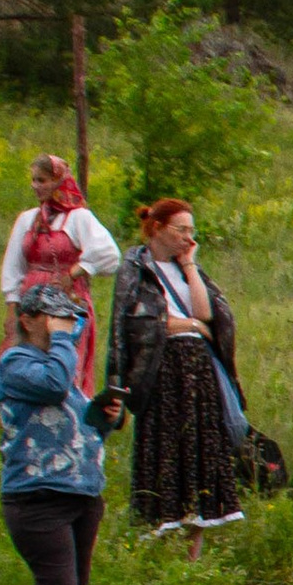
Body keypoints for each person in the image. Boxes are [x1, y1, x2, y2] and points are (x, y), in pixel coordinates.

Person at [0, 278, 112, 585]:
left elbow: (74, 426)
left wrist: (102, 419)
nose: (67, 325)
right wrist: (65, 340)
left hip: (81, 493)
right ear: (28, 320)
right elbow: (52, 386)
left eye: (71, 317)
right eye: (56, 316)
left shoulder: (61, 368)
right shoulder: (17, 363)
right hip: (36, 498)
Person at [110, 199, 244, 543]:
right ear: (157, 228)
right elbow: (139, 323)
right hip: (161, 371)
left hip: (198, 374)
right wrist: (192, 326)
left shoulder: (187, 269)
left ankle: (193, 552)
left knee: (200, 452)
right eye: (181, 230)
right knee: (164, 452)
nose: (188, 237)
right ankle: (158, 542)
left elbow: (207, 312)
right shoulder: (135, 268)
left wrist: (189, 266)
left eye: (191, 231)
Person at [0, 156, 120, 391]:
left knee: (63, 357)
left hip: (67, 299)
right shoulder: (28, 219)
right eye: (33, 180)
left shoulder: (78, 217)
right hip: (31, 300)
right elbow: (14, 265)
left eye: (42, 180)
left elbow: (109, 254)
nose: (36, 186)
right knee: (27, 357)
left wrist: (75, 272)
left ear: (58, 182)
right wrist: (12, 306)